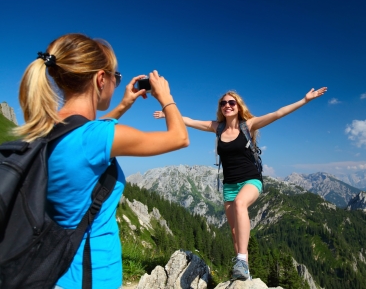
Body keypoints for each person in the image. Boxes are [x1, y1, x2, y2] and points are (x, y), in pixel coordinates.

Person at [14, 33, 189, 288]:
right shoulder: (95, 139)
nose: (117, 83)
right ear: (100, 79)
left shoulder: (45, 129)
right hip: (93, 276)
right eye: (115, 77)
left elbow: (85, 132)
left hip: (53, 271)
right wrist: (165, 96)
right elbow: (180, 138)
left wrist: (123, 105)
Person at [153, 86, 327, 280]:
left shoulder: (248, 125)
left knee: (240, 204)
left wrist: (304, 100)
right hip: (229, 185)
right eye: (223, 103)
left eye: (231, 102)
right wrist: (169, 114)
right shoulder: (217, 127)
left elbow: (277, 113)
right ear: (221, 108)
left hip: (251, 179)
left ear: (238, 106)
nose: (227, 105)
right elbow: (190, 121)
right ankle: (243, 271)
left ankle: (242, 260)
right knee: (235, 233)